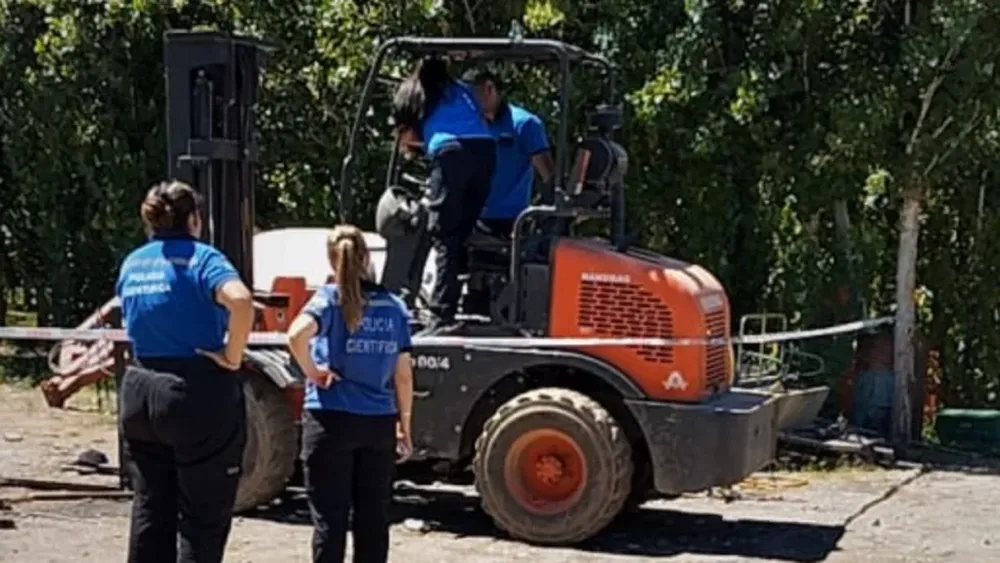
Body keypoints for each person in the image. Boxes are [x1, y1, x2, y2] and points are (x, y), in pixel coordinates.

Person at [115, 180, 254, 563]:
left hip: (140, 389)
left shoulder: (134, 262)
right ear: (195, 218)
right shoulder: (202, 258)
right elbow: (241, 301)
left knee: (149, 509)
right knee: (202, 521)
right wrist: (232, 355)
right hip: (194, 389)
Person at [286, 224, 415, 563]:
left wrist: (312, 372)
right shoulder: (394, 307)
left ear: (333, 260)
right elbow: (403, 375)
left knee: (330, 519)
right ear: (366, 258)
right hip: (378, 424)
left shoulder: (328, 300)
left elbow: (296, 335)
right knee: (373, 519)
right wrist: (404, 424)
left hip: (330, 420)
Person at [392, 57, 496, 332]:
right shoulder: (462, 90)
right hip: (485, 152)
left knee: (444, 236)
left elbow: (407, 129)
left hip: (451, 154)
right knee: (463, 232)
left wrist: (411, 147)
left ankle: (441, 315)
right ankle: (469, 301)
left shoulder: (417, 91)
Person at [462, 68, 555, 238]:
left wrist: (543, 217)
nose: (468, 103)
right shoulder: (467, 125)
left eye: (471, 95)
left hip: (511, 224)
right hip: (471, 219)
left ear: (490, 89)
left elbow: (548, 176)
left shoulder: (524, 124)